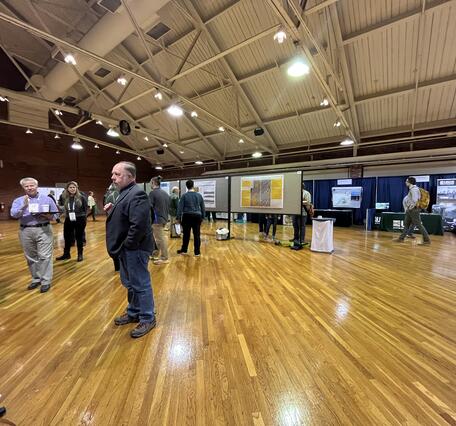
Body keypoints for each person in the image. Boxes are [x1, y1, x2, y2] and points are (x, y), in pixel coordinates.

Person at [105, 161, 156, 338]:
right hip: (127, 249)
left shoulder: (138, 194)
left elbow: (139, 225)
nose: (113, 177)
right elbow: (127, 217)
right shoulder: (123, 193)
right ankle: (134, 312)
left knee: (140, 284)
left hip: (135, 248)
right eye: (113, 173)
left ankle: (148, 318)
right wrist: (112, 210)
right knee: (131, 284)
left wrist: (128, 245)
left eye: (117, 174)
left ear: (130, 177)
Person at [10, 177, 58, 293]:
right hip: (25, 231)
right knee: (31, 257)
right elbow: (13, 214)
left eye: (32, 185)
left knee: (45, 256)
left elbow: (56, 216)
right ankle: (36, 279)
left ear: (37, 186)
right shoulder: (18, 200)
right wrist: (24, 206)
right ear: (23, 188)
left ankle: (46, 281)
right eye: (26, 186)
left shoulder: (47, 199)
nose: (30, 188)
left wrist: (47, 216)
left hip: (44, 229)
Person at [56, 181, 88, 262]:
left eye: (74, 187)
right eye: (70, 187)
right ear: (67, 189)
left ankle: (80, 254)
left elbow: (85, 209)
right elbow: (63, 207)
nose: (72, 189)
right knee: (67, 237)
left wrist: (84, 220)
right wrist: (58, 207)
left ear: (76, 188)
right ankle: (66, 254)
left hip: (80, 219)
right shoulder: (64, 197)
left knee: (79, 237)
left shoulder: (82, 197)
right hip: (68, 218)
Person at [395, 176, 431, 245]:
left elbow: (415, 200)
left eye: (406, 181)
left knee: (419, 225)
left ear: (410, 182)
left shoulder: (413, 189)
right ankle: (401, 238)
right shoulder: (413, 189)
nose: (405, 182)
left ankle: (427, 240)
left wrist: (410, 207)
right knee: (406, 224)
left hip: (413, 210)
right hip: (411, 210)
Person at [177, 179, 205, 257]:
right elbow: (203, 207)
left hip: (187, 216)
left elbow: (180, 208)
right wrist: (203, 217)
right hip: (197, 216)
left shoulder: (184, 196)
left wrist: (178, 217)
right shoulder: (199, 195)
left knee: (186, 234)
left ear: (186, 186)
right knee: (197, 235)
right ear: (193, 185)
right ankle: (197, 252)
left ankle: (184, 250)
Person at [149, 176, 170, 265]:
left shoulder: (152, 193)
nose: (150, 184)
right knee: (158, 238)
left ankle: (164, 258)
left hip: (157, 220)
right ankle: (155, 254)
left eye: (151, 182)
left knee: (160, 239)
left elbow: (149, 207)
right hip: (164, 219)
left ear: (153, 183)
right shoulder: (165, 193)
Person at [104, 183, 121, 271]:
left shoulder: (108, 196)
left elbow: (106, 210)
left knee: (114, 243)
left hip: (112, 223)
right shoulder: (122, 194)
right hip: (121, 223)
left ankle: (117, 266)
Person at [291, 183, 312, 248]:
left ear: (302, 186)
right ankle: (295, 238)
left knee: (302, 226)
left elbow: (308, 202)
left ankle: (301, 239)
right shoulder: (295, 193)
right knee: (295, 225)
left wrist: (300, 201)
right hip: (295, 212)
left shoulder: (306, 193)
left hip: (303, 213)